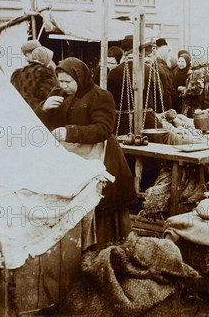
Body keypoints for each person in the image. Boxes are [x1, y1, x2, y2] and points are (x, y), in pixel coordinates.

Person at [37, 58, 137, 249]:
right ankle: (73, 249)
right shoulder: (57, 94)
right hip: (70, 160)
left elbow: (103, 128)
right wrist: (43, 108)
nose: (63, 85)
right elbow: (38, 124)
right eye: (61, 81)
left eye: (68, 81)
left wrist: (70, 132)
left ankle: (102, 248)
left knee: (97, 205)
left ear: (80, 77)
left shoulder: (100, 96)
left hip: (98, 158)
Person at [11, 45, 58, 111]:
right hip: (39, 110)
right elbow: (51, 93)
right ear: (44, 58)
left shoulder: (18, 72)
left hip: (22, 110)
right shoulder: (44, 71)